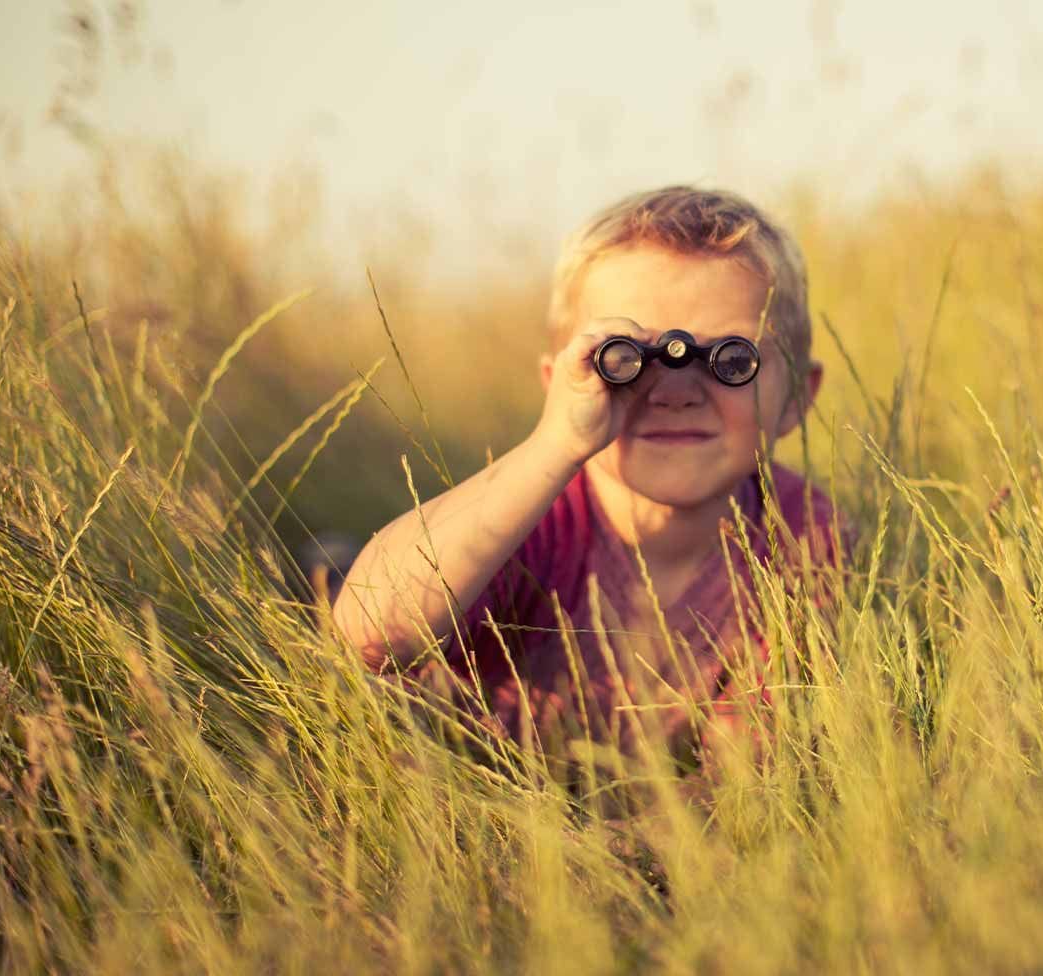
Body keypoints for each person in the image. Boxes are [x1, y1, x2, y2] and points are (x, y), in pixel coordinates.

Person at [331, 186, 850, 766]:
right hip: (479, 750)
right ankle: (324, 563)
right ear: (560, 384)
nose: (675, 392)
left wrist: (595, 852)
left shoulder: (804, 535)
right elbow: (371, 635)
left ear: (797, 397)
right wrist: (555, 445)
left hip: (600, 812)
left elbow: (747, 777)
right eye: (627, 360)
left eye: (730, 361)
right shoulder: (525, 517)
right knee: (328, 590)